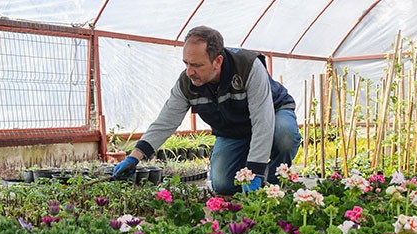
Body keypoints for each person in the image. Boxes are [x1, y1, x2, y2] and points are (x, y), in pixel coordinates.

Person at [113, 26, 301, 195]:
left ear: (217, 61)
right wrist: (134, 157)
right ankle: (260, 177)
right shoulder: (187, 82)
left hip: (273, 114)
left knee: (285, 135)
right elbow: (166, 121)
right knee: (222, 185)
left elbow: (263, 122)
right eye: (186, 63)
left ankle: (276, 183)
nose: (189, 72)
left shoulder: (248, 67)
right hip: (235, 129)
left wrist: (255, 171)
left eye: (196, 65)